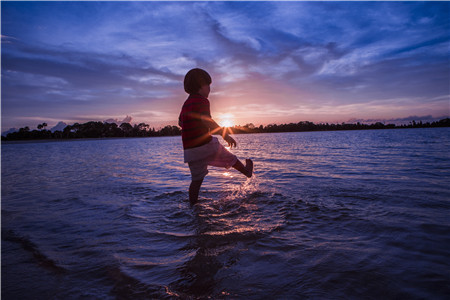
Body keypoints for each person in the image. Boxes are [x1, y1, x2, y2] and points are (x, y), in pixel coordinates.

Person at [179, 68, 253, 205]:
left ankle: (193, 207)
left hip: (189, 150)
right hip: (205, 144)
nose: (209, 90)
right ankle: (247, 171)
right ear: (200, 85)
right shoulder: (202, 101)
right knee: (231, 158)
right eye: (208, 86)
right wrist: (225, 134)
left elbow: (180, 122)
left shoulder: (186, 104)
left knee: (196, 180)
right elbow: (207, 120)